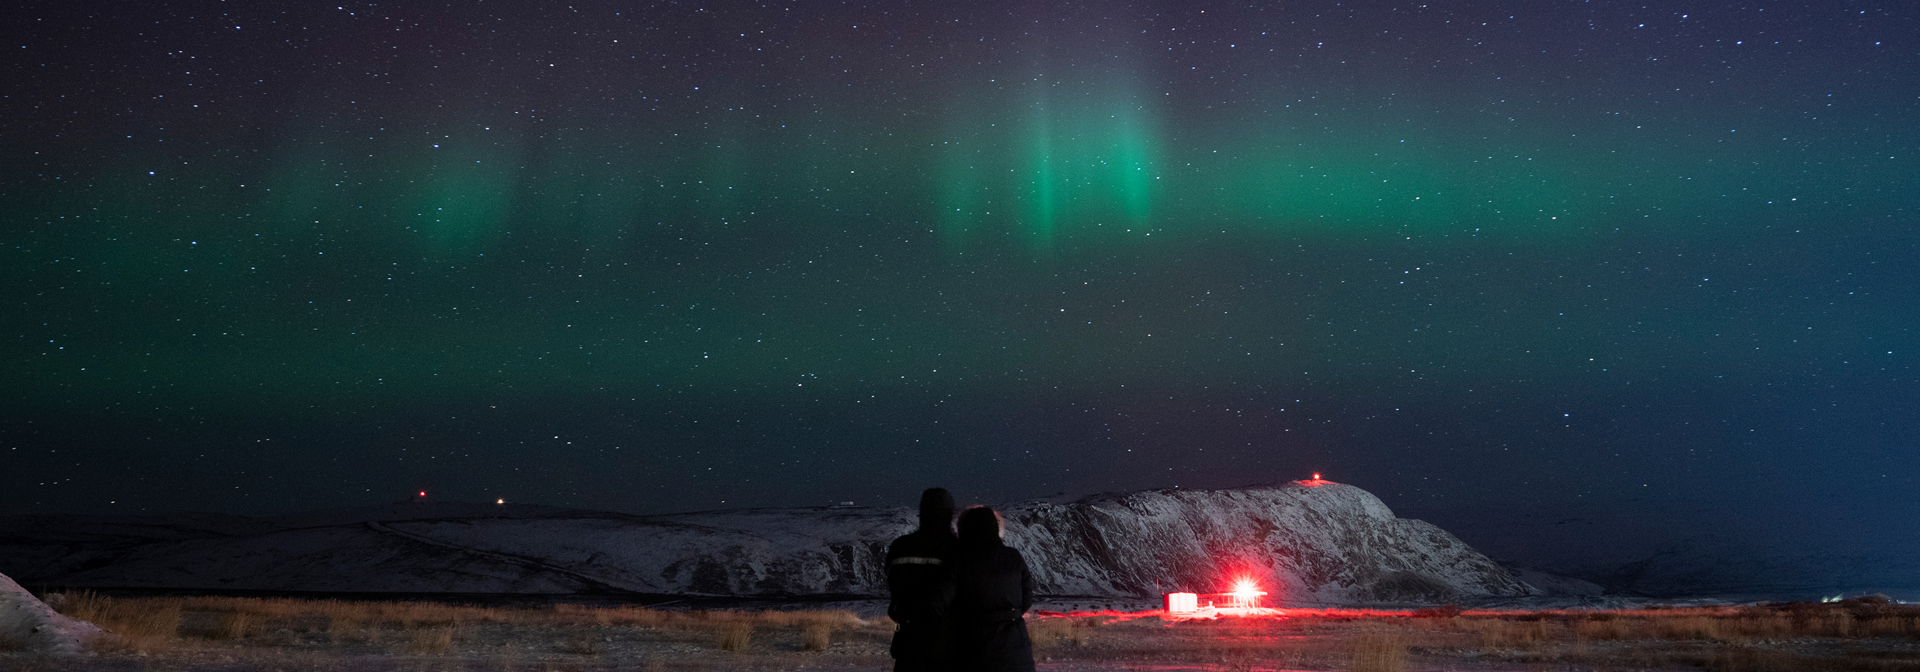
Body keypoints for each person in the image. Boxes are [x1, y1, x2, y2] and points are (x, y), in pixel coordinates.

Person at [950, 505, 1036, 672]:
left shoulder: (960, 561)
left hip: (975, 649)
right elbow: (1026, 598)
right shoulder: (1013, 557)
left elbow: (947, 600)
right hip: (1016, 650)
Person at [886, 487, 958, 672]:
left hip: (908, 643)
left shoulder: (900, 547)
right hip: (948, 645)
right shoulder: (957, 548)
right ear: (949, 513)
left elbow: (892, 582)